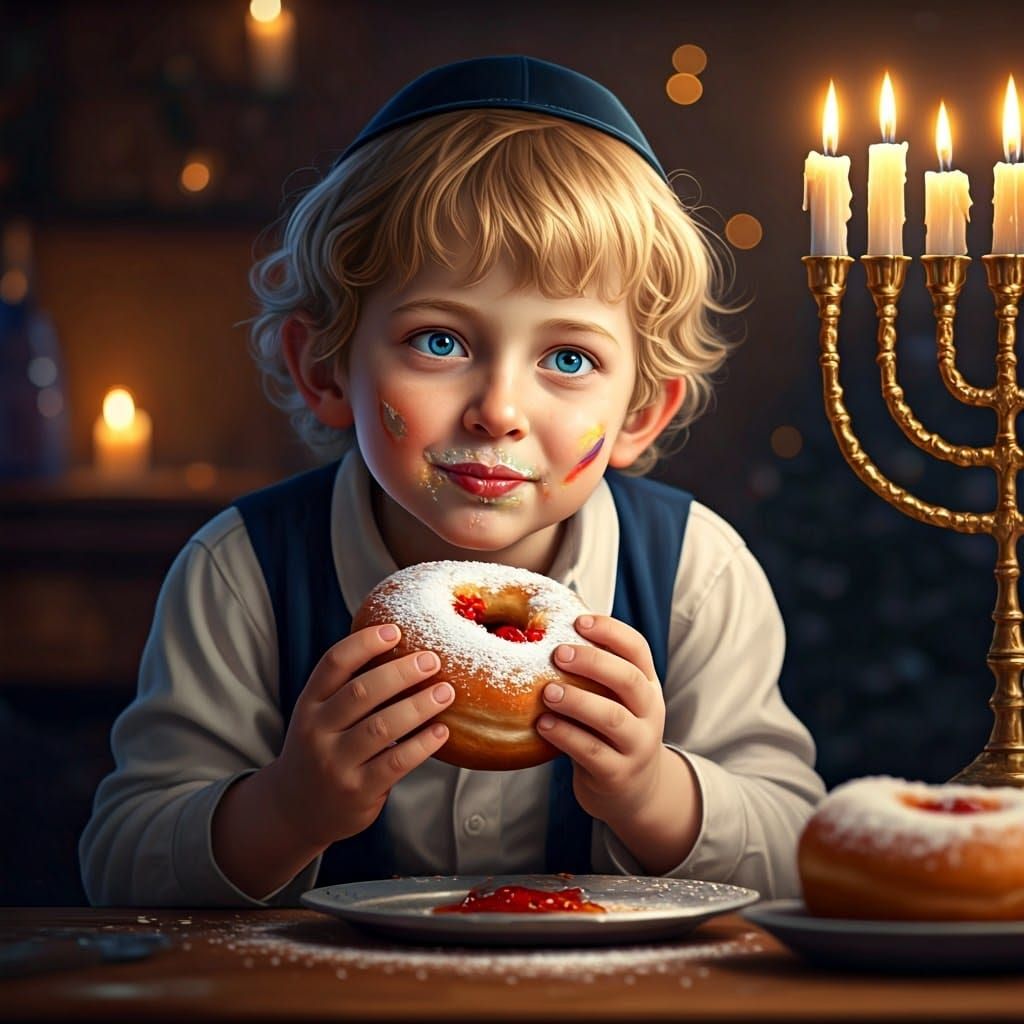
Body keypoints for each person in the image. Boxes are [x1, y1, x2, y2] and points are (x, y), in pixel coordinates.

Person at [80, 55, 824, 906]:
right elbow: (118, 867)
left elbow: (798, 854)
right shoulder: (243, 573)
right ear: (325, 370)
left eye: (569, 357)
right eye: (440, 341)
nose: (498, 410)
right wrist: (289, 807)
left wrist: (654, 794)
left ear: (641, 413)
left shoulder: (696, 573)